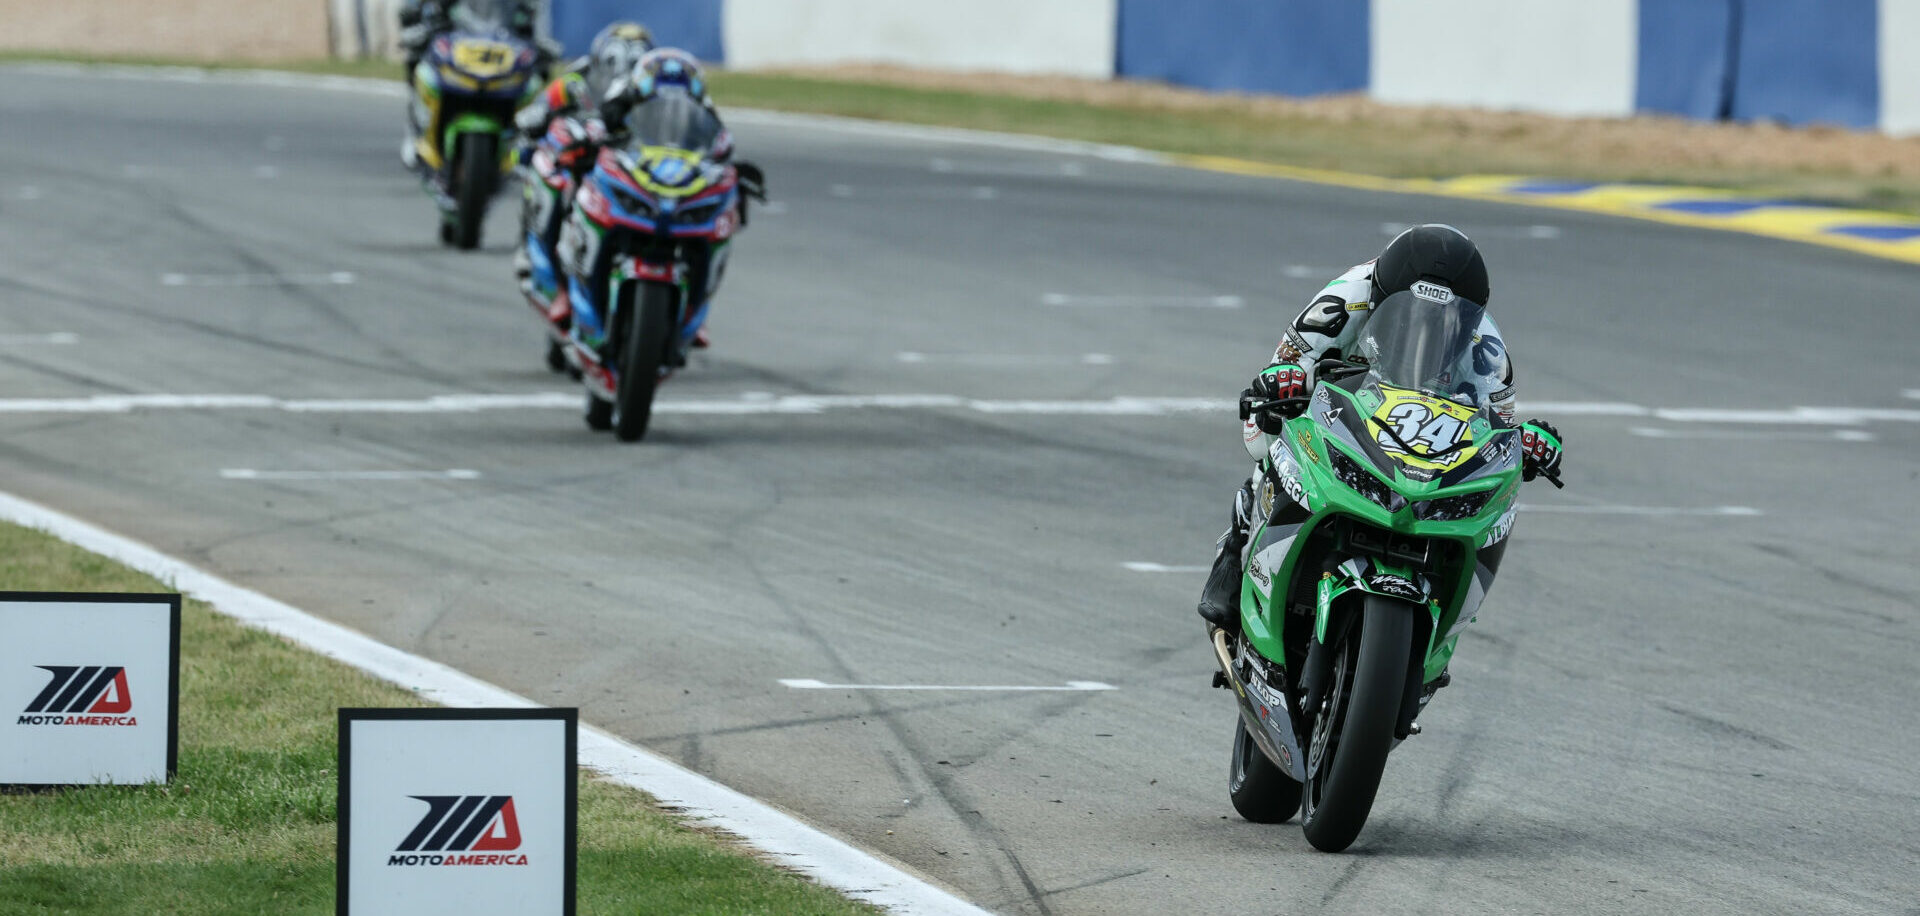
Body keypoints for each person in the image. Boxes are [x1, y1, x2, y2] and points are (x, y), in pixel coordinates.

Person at [1195, 224, 1565, 631]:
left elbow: (1500, 425)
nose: (1424, 330)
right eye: (1410, 316)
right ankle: (1237, 546)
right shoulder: (1340, 303)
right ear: (1380, 297)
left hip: (1418, 430)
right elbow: (1283, 368)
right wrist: (1283, 381)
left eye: (1444, 321)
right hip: (1340, 399)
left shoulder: (1487, 347)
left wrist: (1523, 444)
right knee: (1274, 442)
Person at [512, 21, 655, 281]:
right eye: (612, 66)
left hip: (625, 164)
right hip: (580, 155)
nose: (617, 77)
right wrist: (535, 118)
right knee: (538, 161)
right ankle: (529, 241)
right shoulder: (576, 80)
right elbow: (541, 106)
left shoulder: (651, 95)